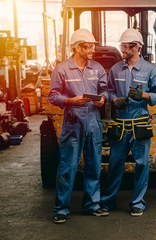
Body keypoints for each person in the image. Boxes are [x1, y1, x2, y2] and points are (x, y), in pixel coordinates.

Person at [101, 28, 156, 217]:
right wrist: (114, 100)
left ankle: (137, 203)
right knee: (114, 164)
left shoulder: (151, 70)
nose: (123, 50)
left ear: (137, 47)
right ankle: (108, 201)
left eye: (126, 47)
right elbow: (109, 89)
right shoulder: (115, 69)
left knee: (142, 165)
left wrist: (144, 95)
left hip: (140, 125)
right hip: (120, 124)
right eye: (122, 46)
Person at [48, 28, 109, 224]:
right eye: (88, 47)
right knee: (68, 167)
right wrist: (70, 101)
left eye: (92, 46)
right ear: (77, 48)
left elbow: (105, 89)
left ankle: (92, 205)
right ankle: (61, 208)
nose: (92, 50)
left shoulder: (97, 68)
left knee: (94, 165)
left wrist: (102, 99)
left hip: (93, 123)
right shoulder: (62, 69)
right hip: (73, 123)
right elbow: (53, 95)